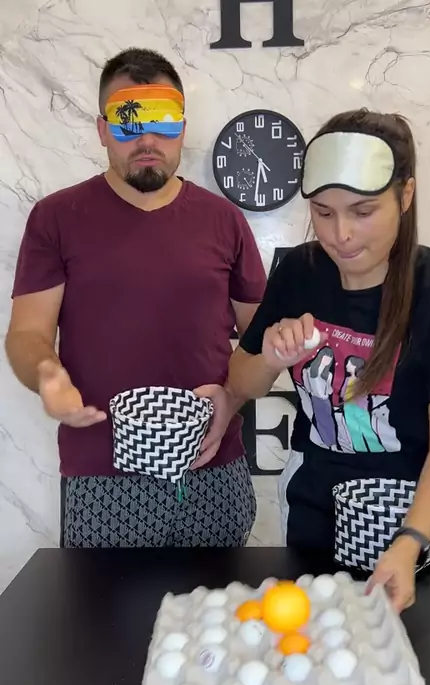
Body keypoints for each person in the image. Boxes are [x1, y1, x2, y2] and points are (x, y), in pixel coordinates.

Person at [5, 48, 266, 548]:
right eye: (128, 123)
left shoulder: (224, 220)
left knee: (222, 599)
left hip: (212, 466)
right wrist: (46, 373)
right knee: (104, 602)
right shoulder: (57, 217)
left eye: (162, 122)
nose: (147, 141)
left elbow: (261, 338)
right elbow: (27, 333)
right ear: (103, 130)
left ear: (182, 128)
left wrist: (231, 399)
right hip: (101, 477)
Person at [224, 108, 430, 611]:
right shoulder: (299, 272)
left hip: (414, 517)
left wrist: (409, 541)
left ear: (405, 195)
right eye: (323, 212)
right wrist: (272, 355)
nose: (340, 233)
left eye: (362, 212)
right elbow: (242, 382)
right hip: (312, 510)